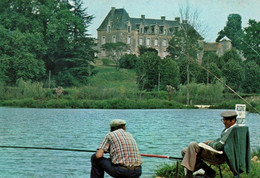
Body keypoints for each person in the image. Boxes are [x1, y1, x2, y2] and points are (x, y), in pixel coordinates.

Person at [181, 110, 238, 178]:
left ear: (233, 120)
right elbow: (221, 140)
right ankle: (209, 171)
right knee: (185, 151)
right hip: (219, 153)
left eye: (225, 120)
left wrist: (210, 144)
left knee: (192, 145)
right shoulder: (231, 129)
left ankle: (189, 175)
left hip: (218, 156)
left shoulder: (231, 130)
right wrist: (212, 141)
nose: (223, 122)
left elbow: (219, 146)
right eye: (223, 120)